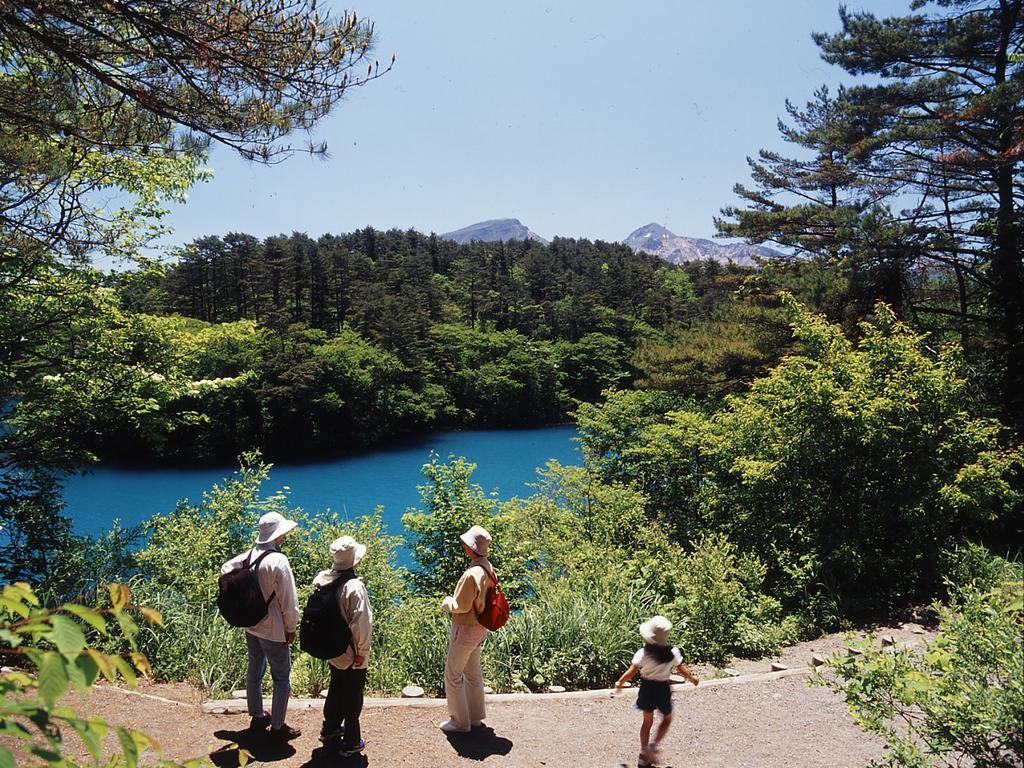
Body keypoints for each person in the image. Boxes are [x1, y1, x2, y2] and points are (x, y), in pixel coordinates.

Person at [221, 511, 302, 740]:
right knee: (281, 677)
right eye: (283, 534)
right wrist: (291, 627)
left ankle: (257, 716)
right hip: (273, 629)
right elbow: (289, 601)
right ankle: (278, 727)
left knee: (255, 670)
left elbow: (226, 568)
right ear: (276, 536)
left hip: (251, 624)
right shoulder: (278, 561)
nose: (284, 537)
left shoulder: (249, 555)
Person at [315, 535, 373, 757]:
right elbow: (362, 625)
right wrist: (362, 653)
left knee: (337, 687)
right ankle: (351, 741)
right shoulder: (354, 587)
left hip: (333, 649)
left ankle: (330, 728)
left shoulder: (324, 580)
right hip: (352, 651)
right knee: (352, 693)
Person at [614, 616, 699, 768]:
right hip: (662, 688)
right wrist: (692, 678)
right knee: (667, 718)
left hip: (646, 688)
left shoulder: (643, 653)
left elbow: (631, 671)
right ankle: (653, 745)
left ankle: (643, 753)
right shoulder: (673, 653)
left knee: (647, 722)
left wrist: (620, 683)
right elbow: (681, 669)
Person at [438, 524, 495, 733]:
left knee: (453, 674)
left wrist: (447, 602)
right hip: (481, 628)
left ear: (472, 548)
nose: (463, 546)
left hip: (465, 630)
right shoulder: (488, 567)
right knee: (473, 672)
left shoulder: (471, 574)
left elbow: (461, 606)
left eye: (466, 544)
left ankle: (459, 722)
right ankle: (475, 717)